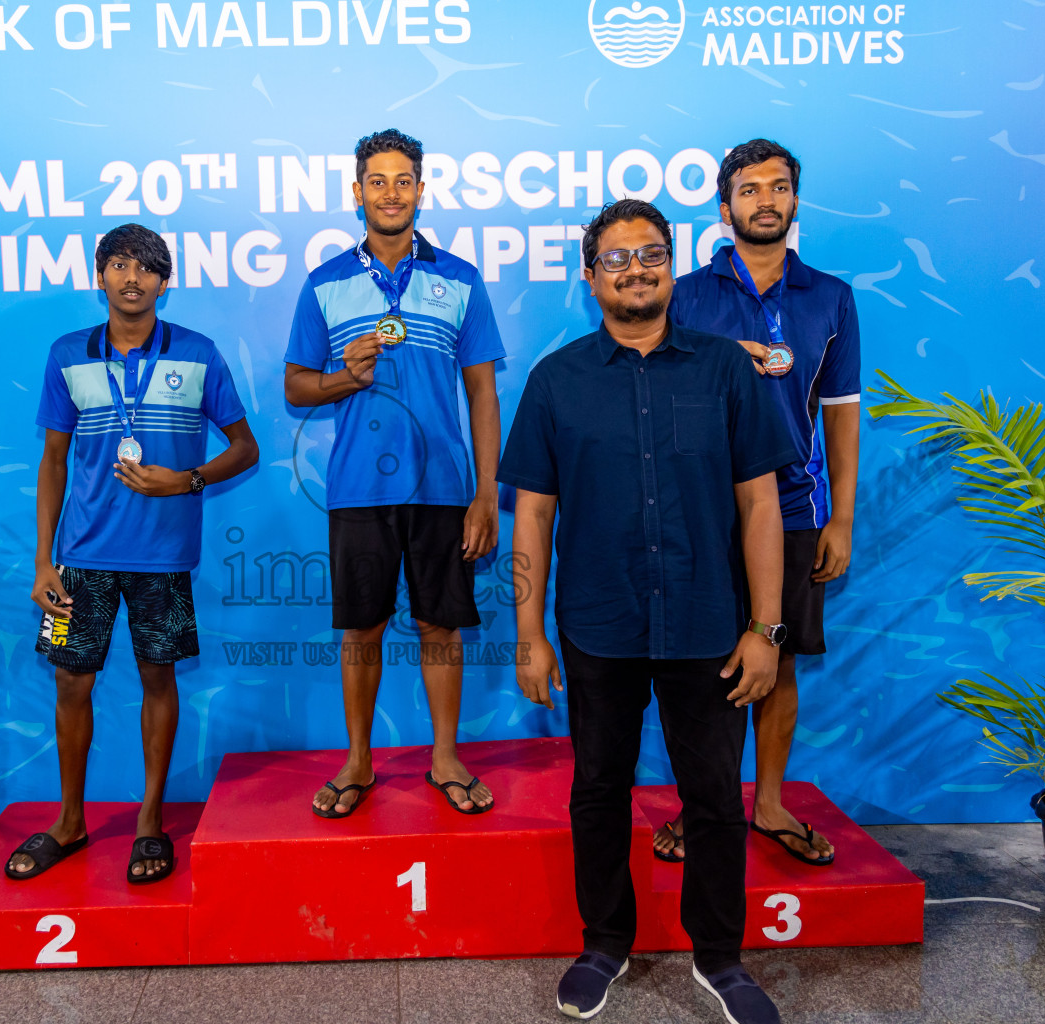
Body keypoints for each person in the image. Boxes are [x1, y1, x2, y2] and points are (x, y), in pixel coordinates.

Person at [500, 198, 792, 1023]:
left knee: (713, 797)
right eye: (618, 258)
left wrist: (766, 628)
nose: (637, 270)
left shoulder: (725, 369)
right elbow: (534, 514)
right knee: (597, 789)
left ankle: (721, 958)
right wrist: (529, 636)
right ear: (590, 277)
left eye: (651, 254)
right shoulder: (556, 380)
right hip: (599, 622)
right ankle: (605, 943)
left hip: (709, 622)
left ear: (671, 264)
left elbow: (761, 504)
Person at [7, 223, 258, 884]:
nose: (132, 278)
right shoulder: (66, 354)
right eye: (118, 265)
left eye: (146, 269)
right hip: (79, 558)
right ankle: (70, 820)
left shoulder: (200, 354)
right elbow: (52, 462)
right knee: (71, 683)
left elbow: (245, 447)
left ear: (163, 283)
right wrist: (42, 562)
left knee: (158, 679)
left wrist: (187, 478)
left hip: (163, 557)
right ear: (100, 277)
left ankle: (150, 820)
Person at [283, 128, 505, 818]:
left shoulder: (461, 279)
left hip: (444, 486)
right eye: (376, 180)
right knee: (363, 629)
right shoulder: (325, 283)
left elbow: (482, 394)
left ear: (420, 189)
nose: (390, 192)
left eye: (402, 179)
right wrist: (343, 379)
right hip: (357, 487)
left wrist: (486, 493)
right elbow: (295, 388)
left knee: (442, 627)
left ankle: (445, 756)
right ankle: (358, 762)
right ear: (357, 193)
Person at [658, 138, 861, 868]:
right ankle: (702, 805)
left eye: (779, 187)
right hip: (705, 515)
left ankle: (768, 803)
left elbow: (840, 408)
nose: (765, 200)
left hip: (798, 510)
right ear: (724, 207)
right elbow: (654, 393)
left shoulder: (831, 297)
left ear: (795, 201)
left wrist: (840, 515)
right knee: (701, 666)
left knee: (780, 658)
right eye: (750, 190)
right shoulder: (686, 295)